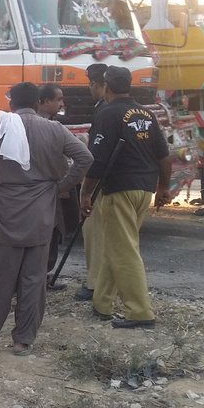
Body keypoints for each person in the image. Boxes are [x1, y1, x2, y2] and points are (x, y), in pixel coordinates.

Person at [0, 82, 92, 356]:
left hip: (1, 214)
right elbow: (84, 157)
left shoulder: (0, 126)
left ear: (11, 103)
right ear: (38, 102)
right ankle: (23, 341)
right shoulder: (55, 129)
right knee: (34, 280)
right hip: (40, 215)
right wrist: (61, 187)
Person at [80, 66, 172, 329]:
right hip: (144, 189)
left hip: (119, 189)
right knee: (116, 245)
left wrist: (86, 193)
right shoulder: (147, 113)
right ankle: (102, 303)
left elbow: (97, 160)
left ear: (106, 86)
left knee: (125, 251)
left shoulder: (107, 113)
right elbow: (163, 155)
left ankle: (140, 312)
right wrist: (164, 187)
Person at [73, 64, 108, 304]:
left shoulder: (105, 110)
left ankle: (95, 283)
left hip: (103, 181)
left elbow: (98, 153)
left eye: (90, 84)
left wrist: (86, 190)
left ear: (97, 85)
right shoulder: (121, 108)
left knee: (94, 232)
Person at [37, 83, 77, 284]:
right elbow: (83, 157)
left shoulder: (53, 123)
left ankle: (40, 275)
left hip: (48, 188)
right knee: (48, 231)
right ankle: (38, 276)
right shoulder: (48, 126)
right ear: (44, 102)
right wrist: (65, 184)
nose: (62, 103)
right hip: (47, 188)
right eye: (58, 99)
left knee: (53, 230)